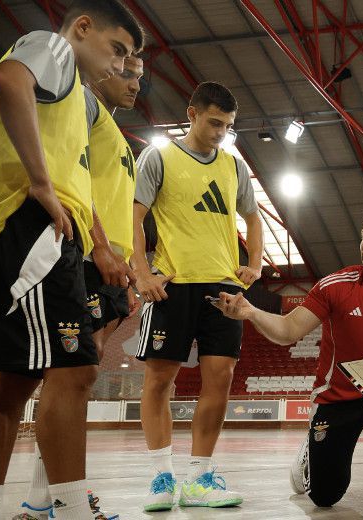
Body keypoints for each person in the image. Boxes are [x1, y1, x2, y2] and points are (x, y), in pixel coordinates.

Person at [0, 2, 142, 519]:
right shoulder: (54, 49)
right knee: (73, 372)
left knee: (13, 379)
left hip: (42, 231)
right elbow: (9, 80)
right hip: (32, 227)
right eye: (117, 50)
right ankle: (68, 509)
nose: (121, 66)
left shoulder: (72, 98)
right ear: (82, 28)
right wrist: (40, 183)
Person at [214, 211, 363, 507]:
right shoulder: (335, 286)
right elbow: (288, 331)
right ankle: (310, 448)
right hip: (339, 400)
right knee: (325, 497)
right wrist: (251, 312)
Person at [131, 81, 263, 512]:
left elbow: (253, 216)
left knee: (220, 379)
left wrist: (256, 263)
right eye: (213, 123)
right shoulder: (159, 156)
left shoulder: (233, 166)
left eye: (227, 126)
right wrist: (140, 270)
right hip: (174, 283)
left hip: (223, 285)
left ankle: (200, 479)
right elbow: (135, 214)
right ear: (191, 114)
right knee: (160, 380)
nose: (220, 132)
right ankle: (161, 479)